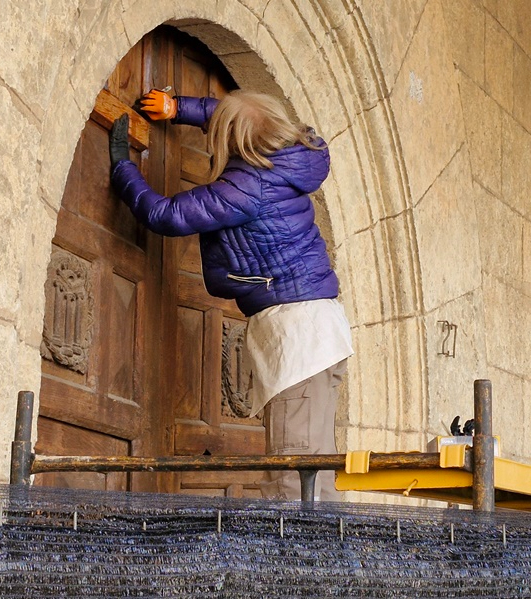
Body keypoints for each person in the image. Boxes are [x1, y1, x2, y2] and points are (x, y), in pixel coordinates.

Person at [109, 89, 353, 501]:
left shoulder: (245, 188)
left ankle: (297, 564)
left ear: (232, 139)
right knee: (310, 473)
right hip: (317, 330)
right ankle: (310, 560)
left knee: (294, 479)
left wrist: (122, 168)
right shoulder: (297, 154)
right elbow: (245, 119)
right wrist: (179, 108)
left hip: (300, 340)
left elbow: (165, 215)